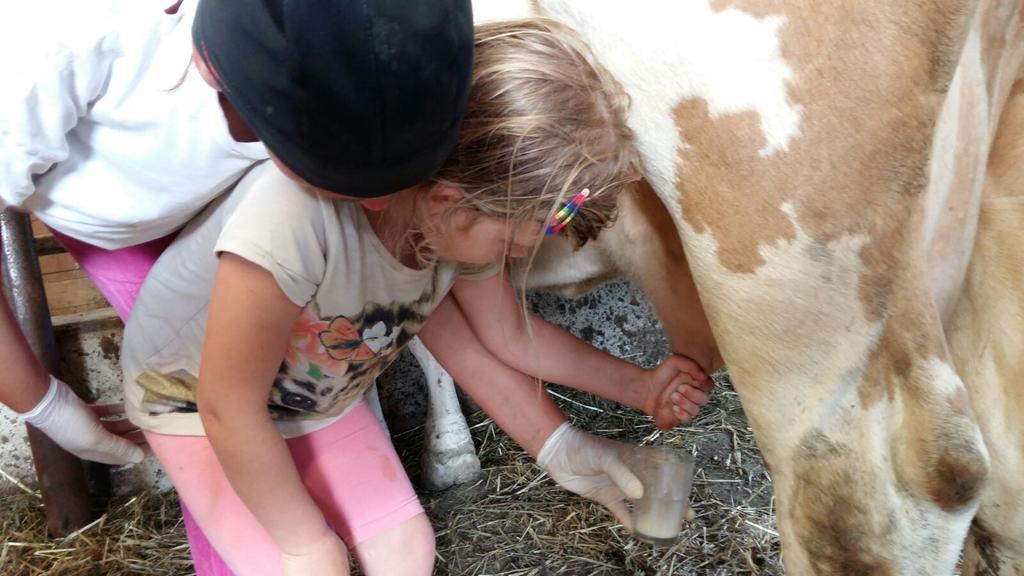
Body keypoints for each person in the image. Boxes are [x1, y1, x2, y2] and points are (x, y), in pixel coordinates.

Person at [121, 19, 709, 575]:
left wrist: (639, 386)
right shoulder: (292, 222)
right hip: (194, 404)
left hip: (313, 396)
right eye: (509, 240)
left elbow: (507, 337)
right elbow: (228, 405)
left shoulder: (447, 234)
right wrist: (304, 544)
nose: (510, 257)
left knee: (407, 552)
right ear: (450, 202)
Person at [0, 0, 472, 465]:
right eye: (347, 178)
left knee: (277, 386)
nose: (378, 206)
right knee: (192, 404)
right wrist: (44, 404)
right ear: (209, 68)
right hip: (110, 216)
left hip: (228, 185)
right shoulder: (51, 50)